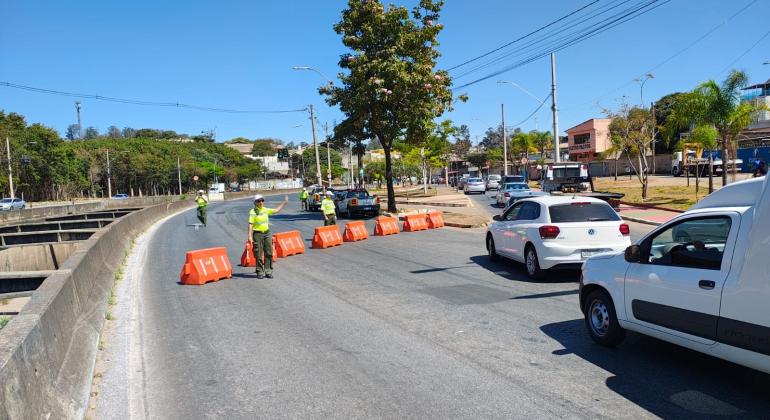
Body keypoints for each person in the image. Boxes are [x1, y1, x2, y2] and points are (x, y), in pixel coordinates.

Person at [247, 194, 288, 279]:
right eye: (259, 201)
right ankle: (260, 271)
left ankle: (268, 271)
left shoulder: (266, 210)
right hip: (257, 234)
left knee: (269, 252)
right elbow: (250, 224)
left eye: (262, 200)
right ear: (255, 202)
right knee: (258, 253)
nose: (261, 202)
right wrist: (249, 236)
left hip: (267, 233)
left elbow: (276, 210)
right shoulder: (253, 212)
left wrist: (284, 202)